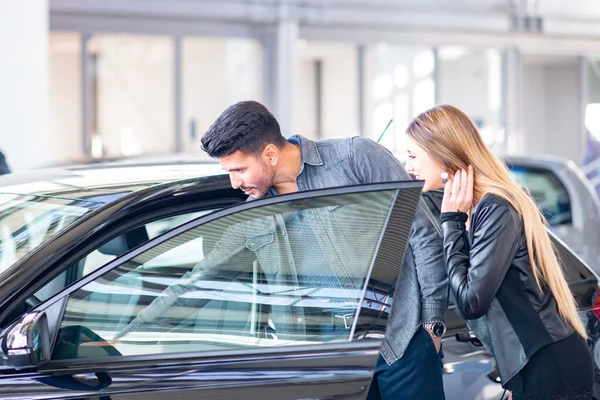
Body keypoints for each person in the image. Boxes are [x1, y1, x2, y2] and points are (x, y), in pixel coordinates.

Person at [109, 100, 448, 399]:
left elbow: (422, 235)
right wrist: (122, 340)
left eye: (239, 169)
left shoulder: (355, 158)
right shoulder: (253, 212)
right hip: (327, 356)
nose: (235, 183)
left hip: (400, 338)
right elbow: (197, 282)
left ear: (270, 154)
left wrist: (433, 325)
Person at [404, 104, 594, 400]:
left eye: (413, 155)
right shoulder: (480, 209)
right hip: (531, 366)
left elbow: (471, 301)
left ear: (441, 152)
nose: (408, 166)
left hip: (550, 365)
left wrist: (451, 221)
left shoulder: (496, 208)